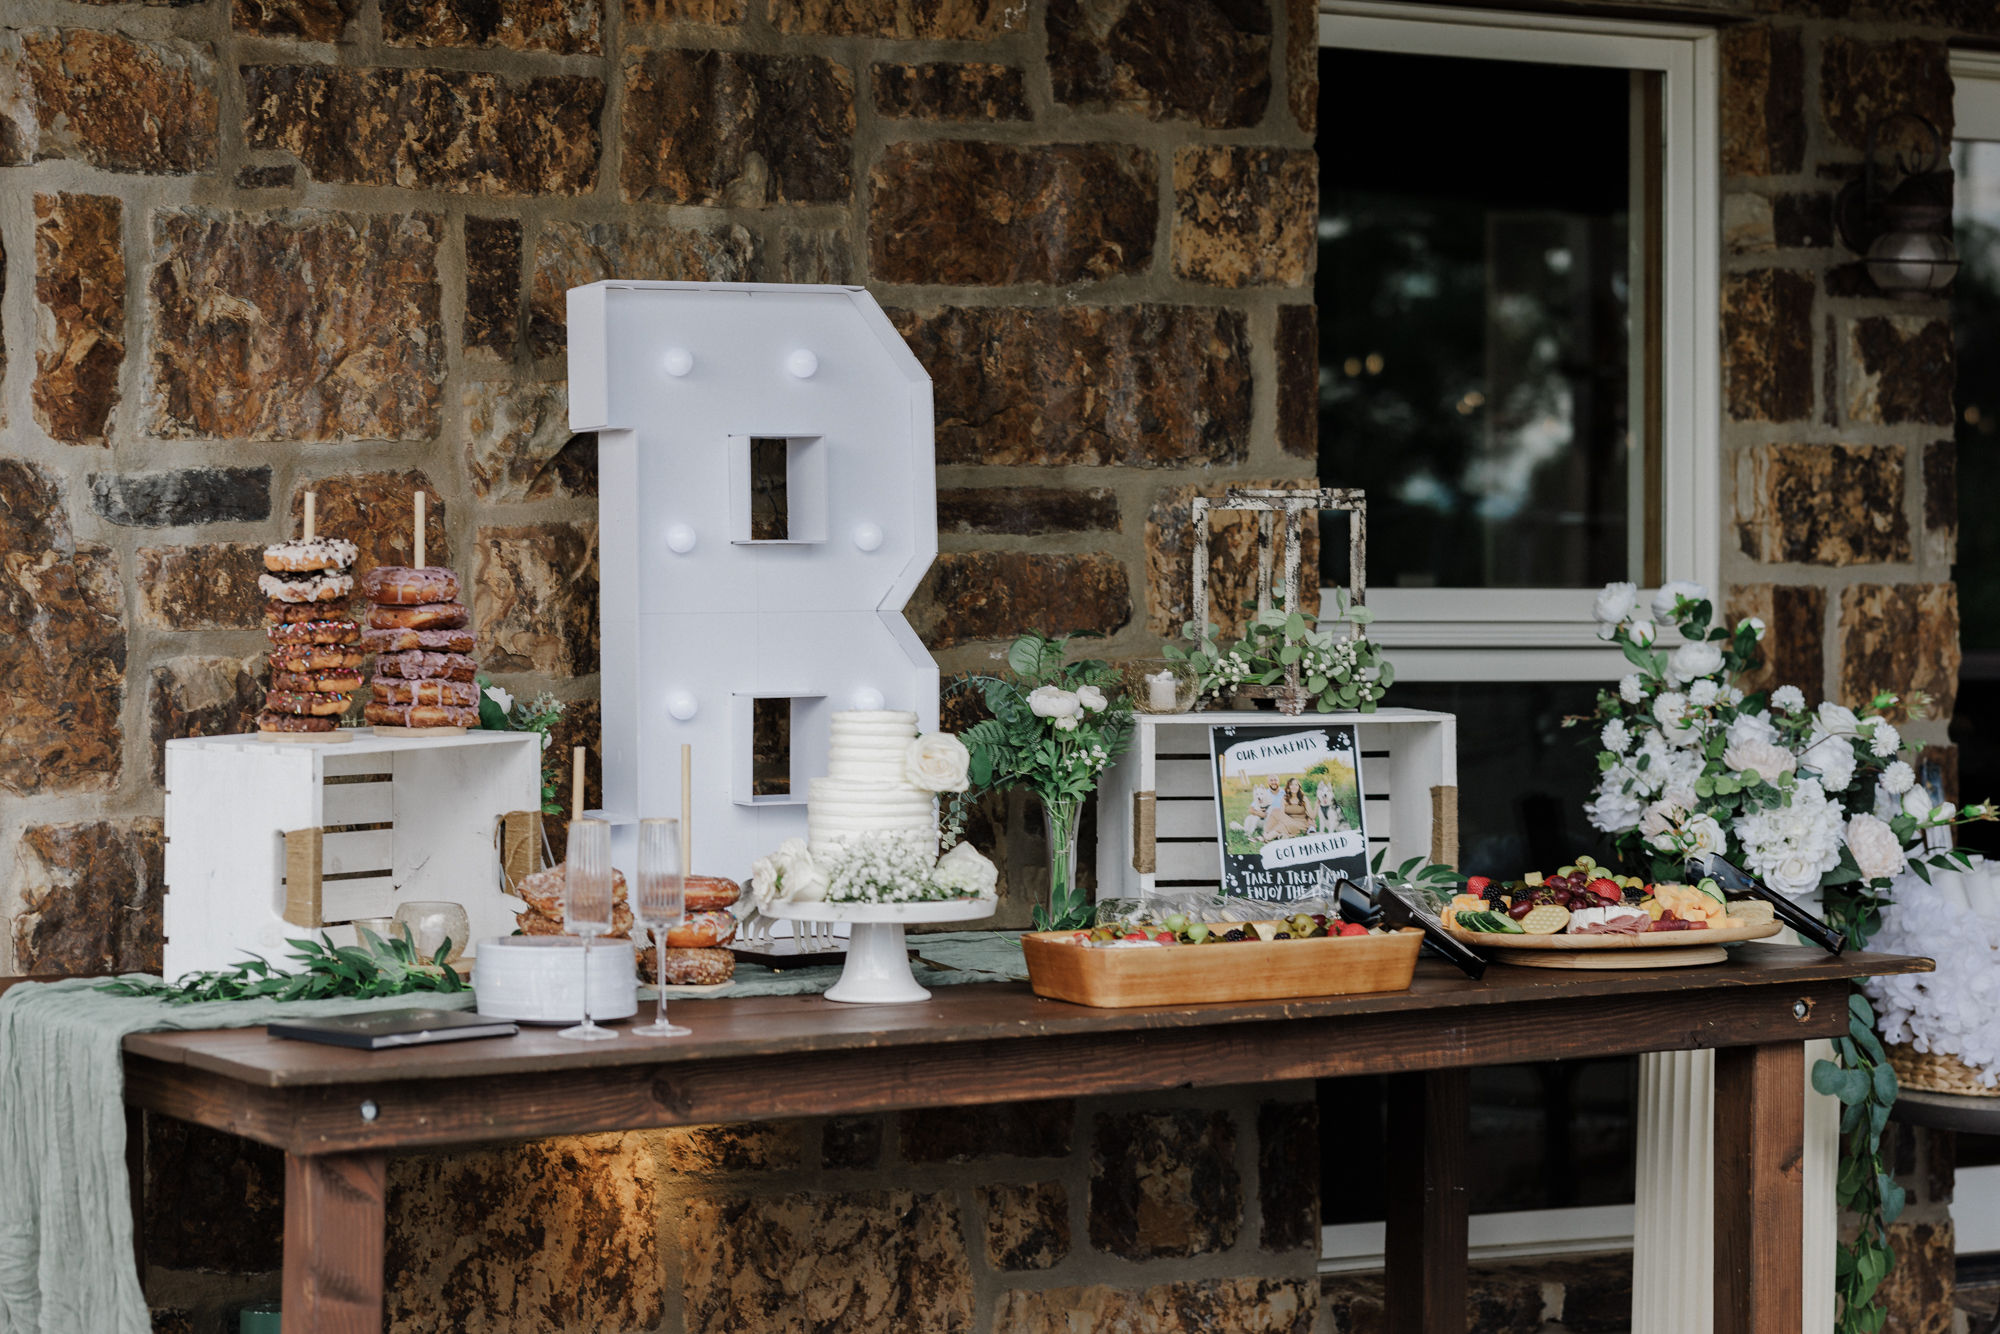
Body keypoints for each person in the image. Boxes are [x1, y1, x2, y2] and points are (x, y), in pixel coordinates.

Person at [1241, 776, 1282, 840]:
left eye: (1275, 780)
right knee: (1250, 818)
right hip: (1265, 820)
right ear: (1268, 782)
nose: (1273, 782)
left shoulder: (1284, 792)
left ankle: (1270, 834)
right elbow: (1251, 809)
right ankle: (1248, 832)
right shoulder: (1263, 792)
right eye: (1271, 780)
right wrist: (1258, 813)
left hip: (1278, 818)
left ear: (1278, 781)